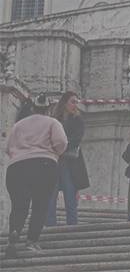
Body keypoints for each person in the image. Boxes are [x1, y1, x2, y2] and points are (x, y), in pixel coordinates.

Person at [4, 93, 67, 257]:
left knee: (19, 205)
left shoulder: (19, 125)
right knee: (40, 204)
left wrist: (19, 155)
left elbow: (8, 147)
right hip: (43, 165)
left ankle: (14, 233)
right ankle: (32, 240)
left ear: (32, 107)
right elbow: (62, 142)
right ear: (49, 108)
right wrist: (54, 154)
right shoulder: (53, 122)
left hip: (16, 167)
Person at [46, 91, 89, 227]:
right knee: (50, 193)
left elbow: (77, 139)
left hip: (70, 162)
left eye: (77, 102)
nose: (75, 104)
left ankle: (72, 225)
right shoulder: (54, 119)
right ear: (64, 103)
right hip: (54, 160)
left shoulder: (78, 120)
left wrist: (60, 146)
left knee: (70, 193)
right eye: (73, 101)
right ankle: (50, 224)